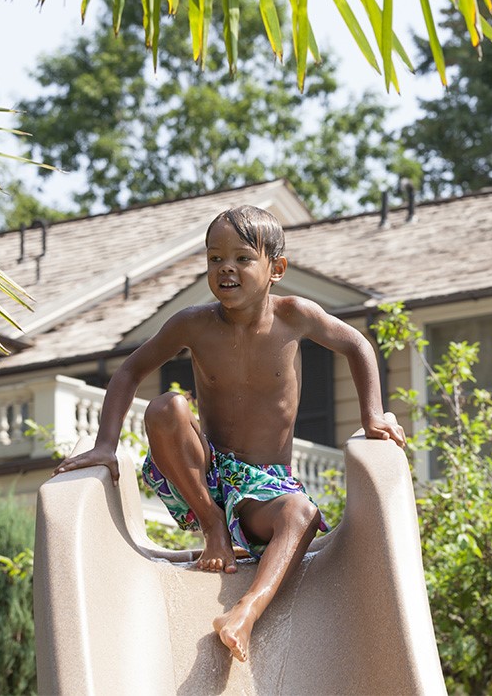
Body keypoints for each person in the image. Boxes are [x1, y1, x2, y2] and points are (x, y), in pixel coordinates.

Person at [53, 204, 405, 663]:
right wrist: (104, 446)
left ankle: (245, 611)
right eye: (215, 259)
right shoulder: (193, 324)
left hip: (265, 486)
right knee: (167, 407)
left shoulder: (295, 315)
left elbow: (357, 343)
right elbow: (129, 372)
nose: (226, 269)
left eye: (242, 258)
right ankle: (213, 527)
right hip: (207, 473)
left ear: (276, 268)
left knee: (300, 513)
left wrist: (373, 414)